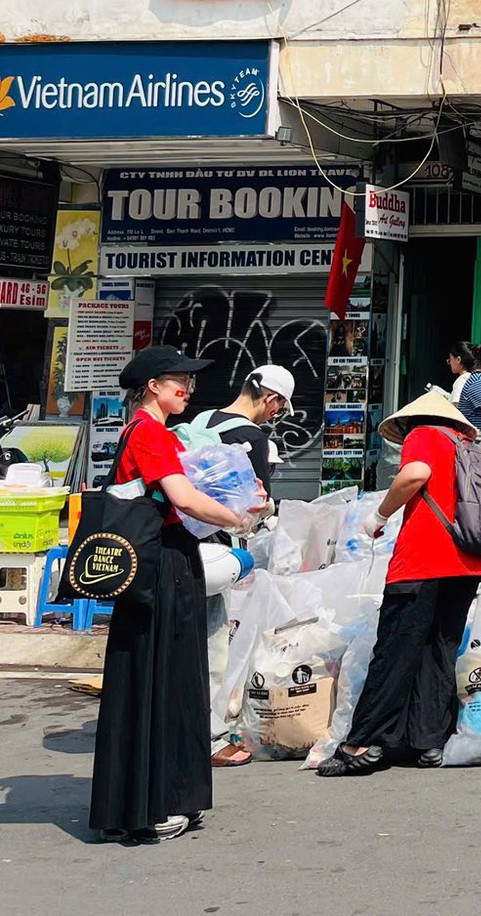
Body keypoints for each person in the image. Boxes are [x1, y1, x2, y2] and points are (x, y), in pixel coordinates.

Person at [91, 347, 258, 843]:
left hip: (162, 562)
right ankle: (153, 804)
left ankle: (161, 796)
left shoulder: (139, 431)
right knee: (161, 682)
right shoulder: (151, 433)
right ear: (151, 388)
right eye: (176, 380)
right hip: (161, 566)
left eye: (188, 379)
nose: (186, 387)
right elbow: (183, 498)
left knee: (163, 679)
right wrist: (240, 518)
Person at [319, 391, 481, 779]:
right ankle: (428, 742)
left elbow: (414, 475)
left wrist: (378, 515)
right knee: (438, 651)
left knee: (395, 649)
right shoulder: (463, 444)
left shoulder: (424, 433)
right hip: (468, 562)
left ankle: (362, 742)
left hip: (422, 561)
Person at [175, 365, 289, 769]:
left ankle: (175, 726)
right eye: (280, 408)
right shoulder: (253, 438)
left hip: (176, 543)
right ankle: (209, 738)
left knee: (179, 643)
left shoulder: (199, 420)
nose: (276, 416)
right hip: (217, 550)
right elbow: (253, 509)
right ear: (270, 400)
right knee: (214, 645)